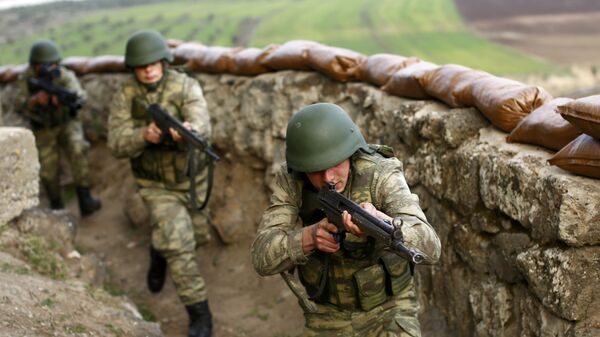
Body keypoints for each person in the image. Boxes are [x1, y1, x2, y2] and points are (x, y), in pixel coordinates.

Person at [251, 103, 441, 337]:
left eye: (335, 164)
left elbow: (431, 248)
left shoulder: (380, 174)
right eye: (317, 170)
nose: (328, 178)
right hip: (327, 314)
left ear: (351, 152)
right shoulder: (292, 180)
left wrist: (384, 224)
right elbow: (261, 257)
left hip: (390, 310)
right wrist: (309, 238)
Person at [107, 30, 213, 337]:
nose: (149, 70)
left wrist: (191, 129)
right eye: (141, 66)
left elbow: (202, 123)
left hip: (192, 180)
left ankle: (158, 248)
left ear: (164, 61)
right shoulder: (126, 95)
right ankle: (200, 315)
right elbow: (115, 141)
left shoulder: (185, 85)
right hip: (155, 186)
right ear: (133, 68)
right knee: (179, 247)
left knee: (198, 237)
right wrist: (144, 135)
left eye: (154, 63)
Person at [16, 39, 101, 217]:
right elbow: (18, 103)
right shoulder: (26, 77)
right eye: (45, 65)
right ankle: (57, 207)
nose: (50, 68)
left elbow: (79, 95)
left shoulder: (63, 75)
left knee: (78, 148)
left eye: (53, 64)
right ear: (35, 65)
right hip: (43, 127)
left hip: (66, 122)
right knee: (48, 169)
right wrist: (34, 101)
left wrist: (62, 101)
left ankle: (85, 199)